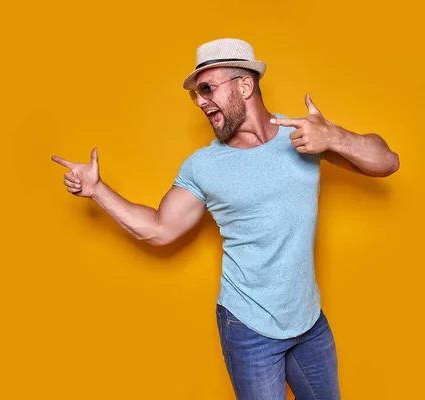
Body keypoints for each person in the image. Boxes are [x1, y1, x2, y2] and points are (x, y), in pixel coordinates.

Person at [50, 38, 399, 400]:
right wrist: (97, 190)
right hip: (248, 328)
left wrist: (335, 136)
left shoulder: (302, 137)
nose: (200, 101)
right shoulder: (204, 166)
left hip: (309, 321)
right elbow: (158, 228)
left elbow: (387, 163)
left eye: (206, 88)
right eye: (195, 95)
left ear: (245, 85)